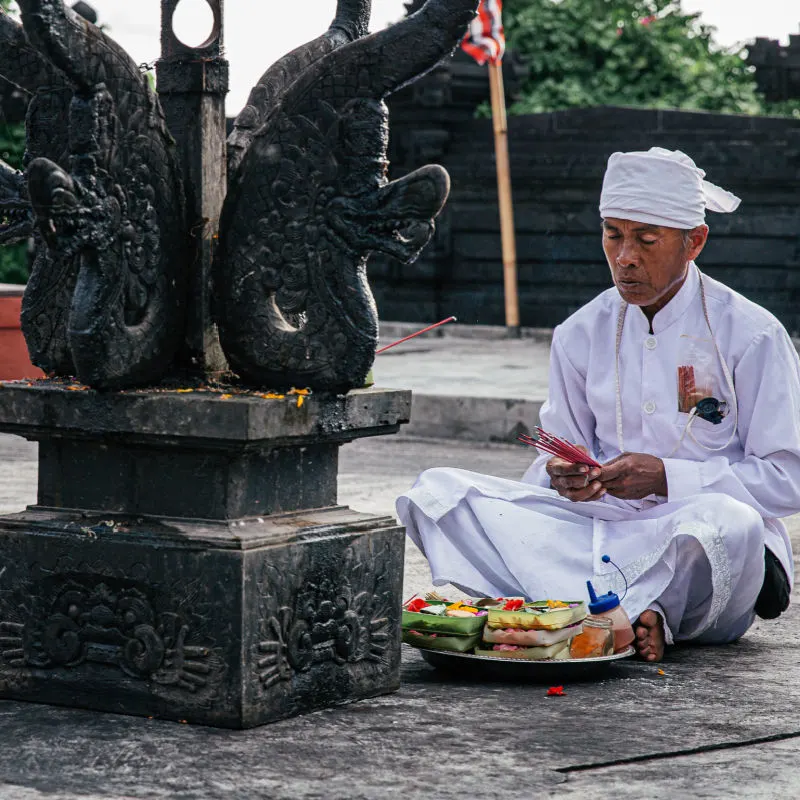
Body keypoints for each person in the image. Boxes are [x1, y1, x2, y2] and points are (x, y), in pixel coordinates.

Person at [397, 147, 799, 662]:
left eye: (646, 240)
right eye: (613, 234)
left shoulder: (752, 335)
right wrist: (564, 475)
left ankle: (611, 609)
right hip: (598, 528)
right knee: (437, 493)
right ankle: (633, 615)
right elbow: (557, 452)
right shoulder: (579, 333)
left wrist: (665, 478)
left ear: (694, 242)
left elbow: (788, 479)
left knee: (731, 522)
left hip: (695, 537)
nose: (625, 256)